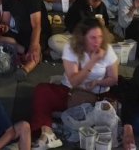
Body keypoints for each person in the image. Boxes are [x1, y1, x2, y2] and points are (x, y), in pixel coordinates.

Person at [31, 18, 118, 148]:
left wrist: (98, 82)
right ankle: (47, 132)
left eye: (100, 37)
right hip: (71, 91)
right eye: (92, 38)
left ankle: (56, 123)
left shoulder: (107, 50)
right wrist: (92, 62)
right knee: (42, 90)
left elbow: (113, 79)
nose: (97, 41)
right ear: (83, 38)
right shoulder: (71, 47)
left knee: (44, 92)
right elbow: (74, 81)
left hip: (93, 98)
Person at [0, 0, 50, 80]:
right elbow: (5, 22)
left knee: (35, 50)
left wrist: (34, 45)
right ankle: (24, 51)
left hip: (39, 32)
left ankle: (25, 69)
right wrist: (1, 28)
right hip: (20, 31)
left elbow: (36, 25)